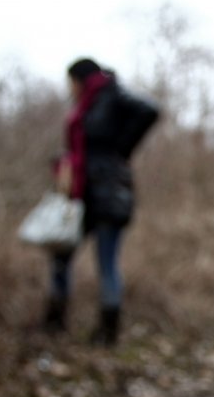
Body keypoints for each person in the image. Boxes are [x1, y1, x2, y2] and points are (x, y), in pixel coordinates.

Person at [44, 58, 160, 346]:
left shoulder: (110, 94)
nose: (68, 88)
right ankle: (54, 323)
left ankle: (108, 334)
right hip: (81, 198)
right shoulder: (85, 104)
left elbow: (149, 110)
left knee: (106, 263)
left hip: (108, 196)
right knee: (60, 254)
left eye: (70, 81)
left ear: (80, 79)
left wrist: (121, 149)